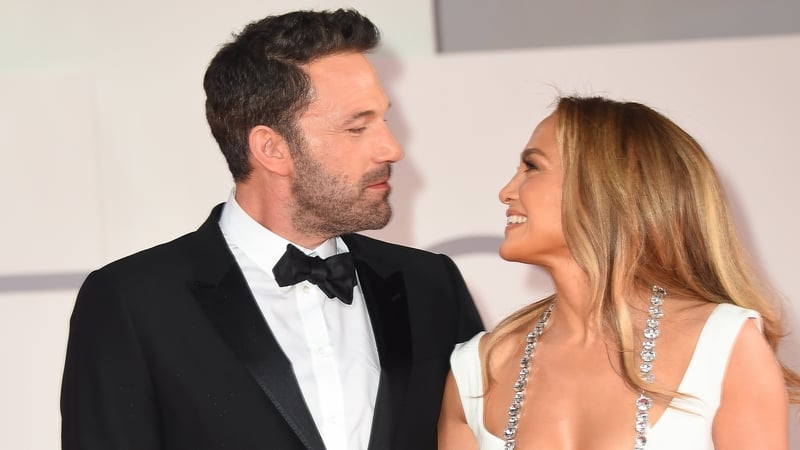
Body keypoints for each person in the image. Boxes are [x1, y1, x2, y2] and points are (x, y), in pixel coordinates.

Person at [60, 9, 483, 450]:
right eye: (357, 127)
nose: (391, 148)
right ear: (271, 149)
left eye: (384, 120)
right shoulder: (134, 303)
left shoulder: (431, 286)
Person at [438, 95, 800, 450]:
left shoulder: (722, 345)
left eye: (532, 167)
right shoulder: (480, 367)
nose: (506, 192)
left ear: (603, 187)